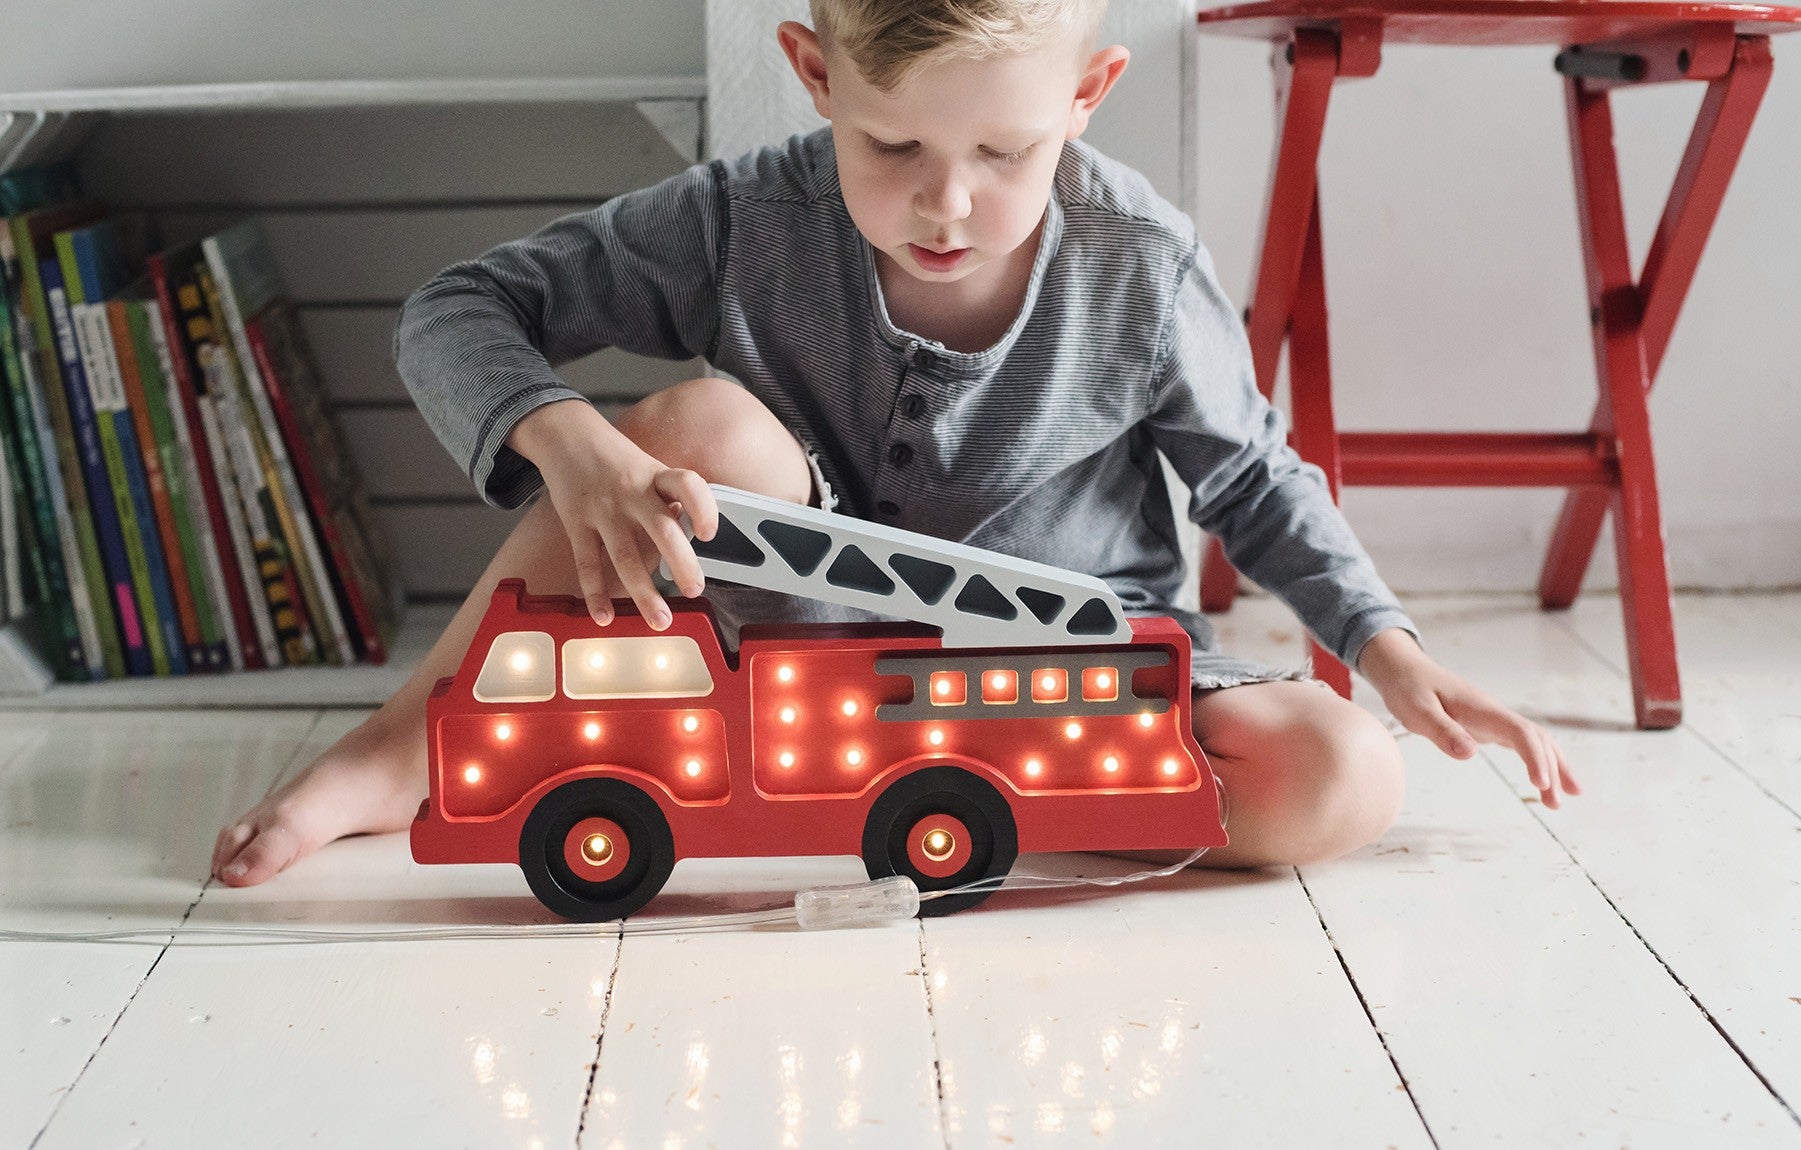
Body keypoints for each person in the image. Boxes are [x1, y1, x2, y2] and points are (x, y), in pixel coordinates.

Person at [213, 0, 1577, 888]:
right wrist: (567, 439)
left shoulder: (1140, 264)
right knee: (685, 427)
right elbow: (457, 309)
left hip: (1057, 664)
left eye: (1004, 149)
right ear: (812, 72)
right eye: (892, 143)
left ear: (1089, 93)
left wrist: (1384, 640)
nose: (947, 200)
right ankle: (406, 745)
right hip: (782, 642)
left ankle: (966, 808)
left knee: (1344, 772)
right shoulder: (743, 215)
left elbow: (1248, 475)